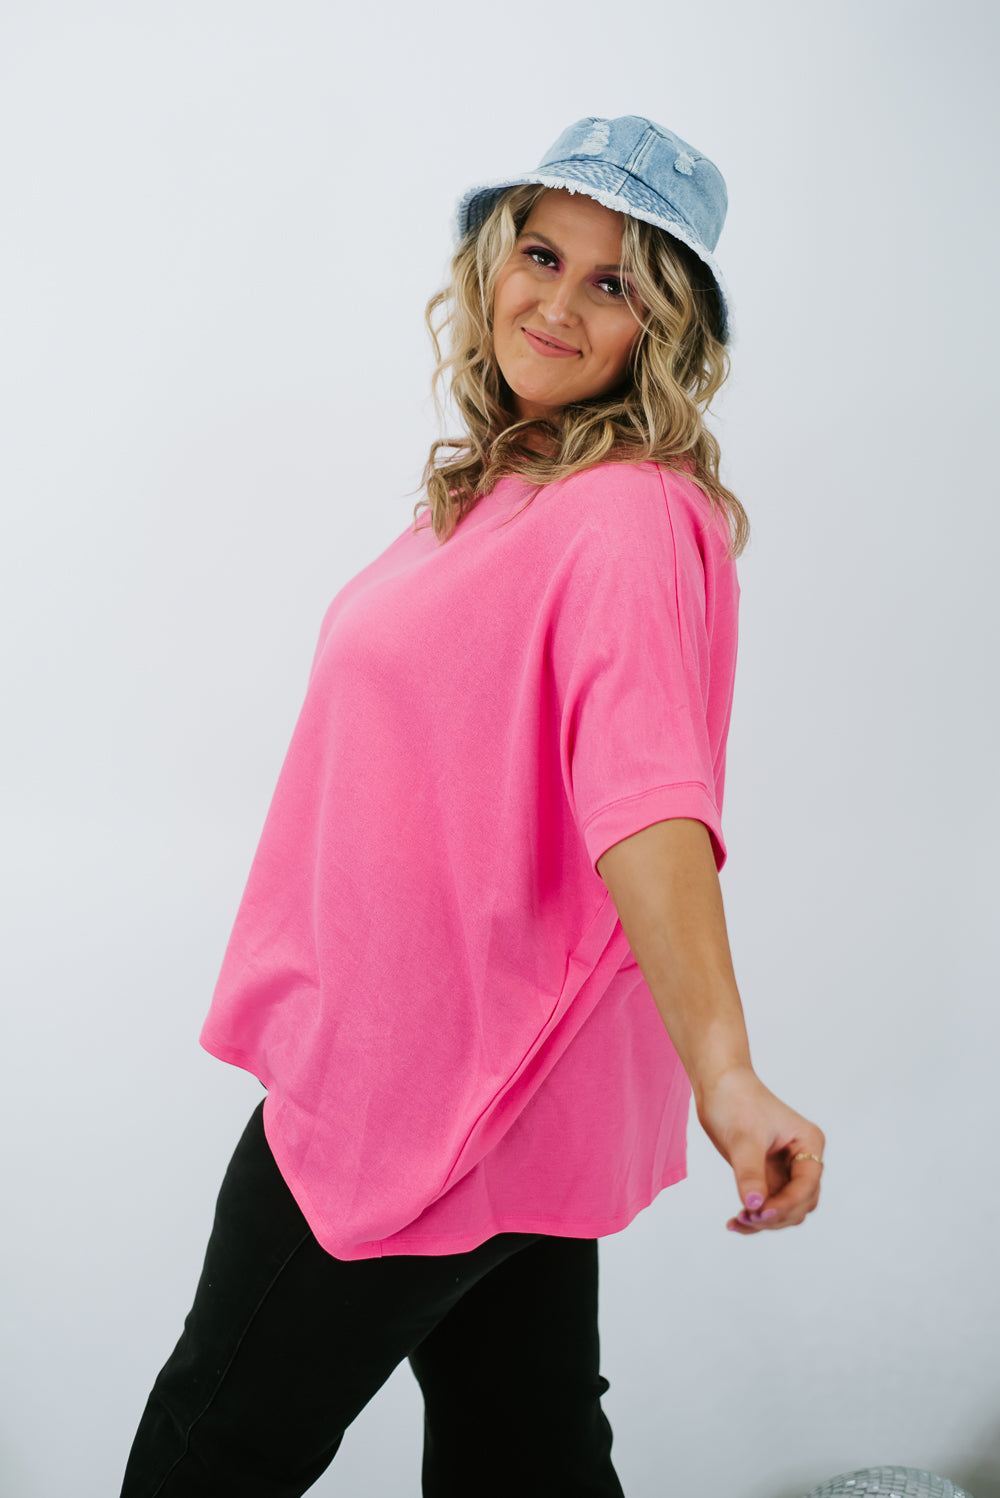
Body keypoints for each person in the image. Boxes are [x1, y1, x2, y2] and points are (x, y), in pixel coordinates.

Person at [119, 115, 825, 1498]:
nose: (557, 302)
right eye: (542, 254)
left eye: (614, 282)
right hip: (504, 1088)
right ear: (494, 260)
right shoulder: (525, 488)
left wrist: (727, 1073)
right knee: (526, 1452)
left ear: (664, 325)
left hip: (424, 1090)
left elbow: (647, 801)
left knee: (214, 1446)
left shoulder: (618, 516)